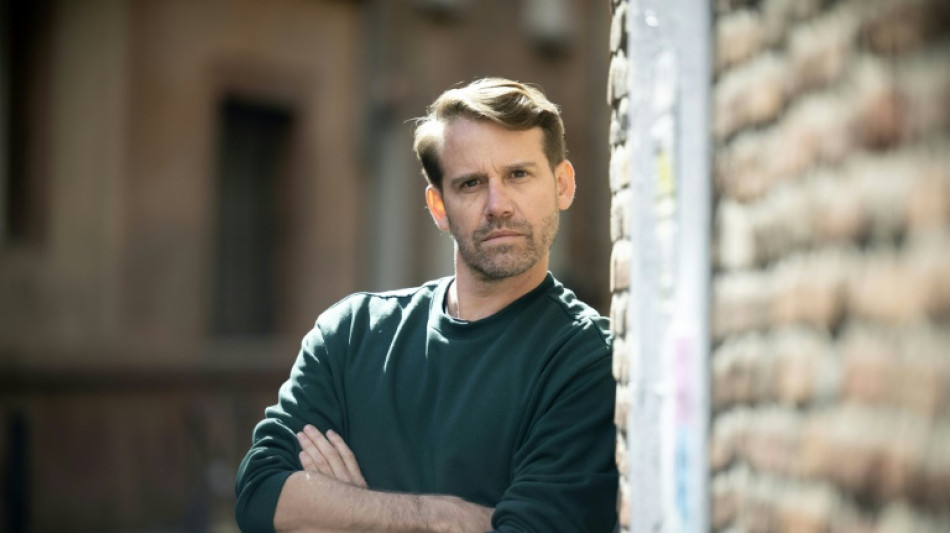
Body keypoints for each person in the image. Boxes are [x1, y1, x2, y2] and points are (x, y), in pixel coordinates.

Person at [234, 77, 617, 533]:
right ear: (438, 206)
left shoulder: (587, 359)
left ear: (563, 185)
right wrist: (438, 516)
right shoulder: (352, 334)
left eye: (518, 175)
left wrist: (351, 514)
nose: (498, 205)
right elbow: (260, 494)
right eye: (471, 183)